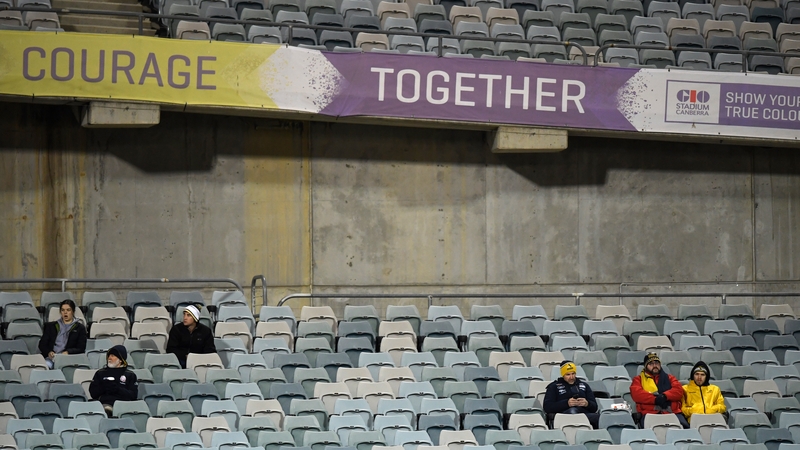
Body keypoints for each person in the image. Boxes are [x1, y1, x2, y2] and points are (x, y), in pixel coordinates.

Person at [631, 352, 689, 428]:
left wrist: (665, 396)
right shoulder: (638, 379)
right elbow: (637, 394)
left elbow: (678, 391)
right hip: (649, 414)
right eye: (651, 364)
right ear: (646, 366)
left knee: (685, 429)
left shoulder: (670, 378)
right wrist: (655, 399)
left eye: (657, 363)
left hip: (672, 413)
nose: (655, 366)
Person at [543, 360, 599, 428]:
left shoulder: (584, 385)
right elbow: (547, 407)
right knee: (573, 411)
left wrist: (587, 404)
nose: (571, 377)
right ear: (563, 375)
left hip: (584, 414)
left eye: (573, 374)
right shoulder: (554, 386)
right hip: (563, 416)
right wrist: (567, 403)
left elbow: (594, 407)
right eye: (568, 374)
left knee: (601, 417)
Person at [89, 345, 138, 416]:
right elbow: (93, 393)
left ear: (120, 360)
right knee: (106, 410)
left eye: (113, 356)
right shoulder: (100, 373)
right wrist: (104, 387)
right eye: (109, 356)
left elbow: (133, 395)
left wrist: (118, 389)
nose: (109, 358)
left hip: (124, 405)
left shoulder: (130, 375)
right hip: (105, 404)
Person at [38, 299, 87, 369]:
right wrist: (49, 352)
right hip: (52, 358)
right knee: (46, 366)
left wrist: (68, 352)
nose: (65, 312)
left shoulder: (80, 328)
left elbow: (81, 348)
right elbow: (42, 344)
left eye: (68, 310)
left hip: (69, 359)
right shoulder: (51, 326)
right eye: (63, 310)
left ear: (73, 311)